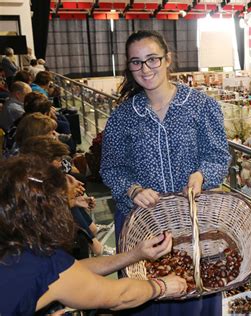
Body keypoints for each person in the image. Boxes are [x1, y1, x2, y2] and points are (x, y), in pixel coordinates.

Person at [100, 30, 230, 316]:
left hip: (193, 222)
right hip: (143, 227)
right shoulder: (122, 117)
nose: (145, 69)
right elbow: (110, 168)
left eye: (152, 59)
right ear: (129, 66)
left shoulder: (201, 106)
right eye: (136, 62)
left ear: (168, 59)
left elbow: (219, 156)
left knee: (196, 292)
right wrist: (132, 189)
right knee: (150, 299)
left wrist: (202, 175)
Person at [0, 156, 187, 315]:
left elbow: (74, 270)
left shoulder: (18, 246)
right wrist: (160, 286)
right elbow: (118, 297)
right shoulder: (44, 261)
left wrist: (136, 254)